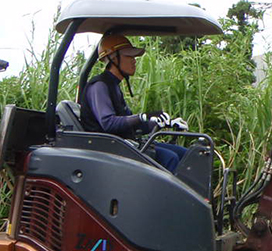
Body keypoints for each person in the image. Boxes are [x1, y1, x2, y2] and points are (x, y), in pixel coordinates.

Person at [79, 34, 190, 172]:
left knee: (185, 154)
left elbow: (131, 127)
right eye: (129, 56)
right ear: (113, 59)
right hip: (110, 148)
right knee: (170, 157)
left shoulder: (114, 85)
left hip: (123, 144)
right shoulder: (99, 86)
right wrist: (142, 116)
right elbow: (108, 123)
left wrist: (162, 122)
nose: (134, 61)